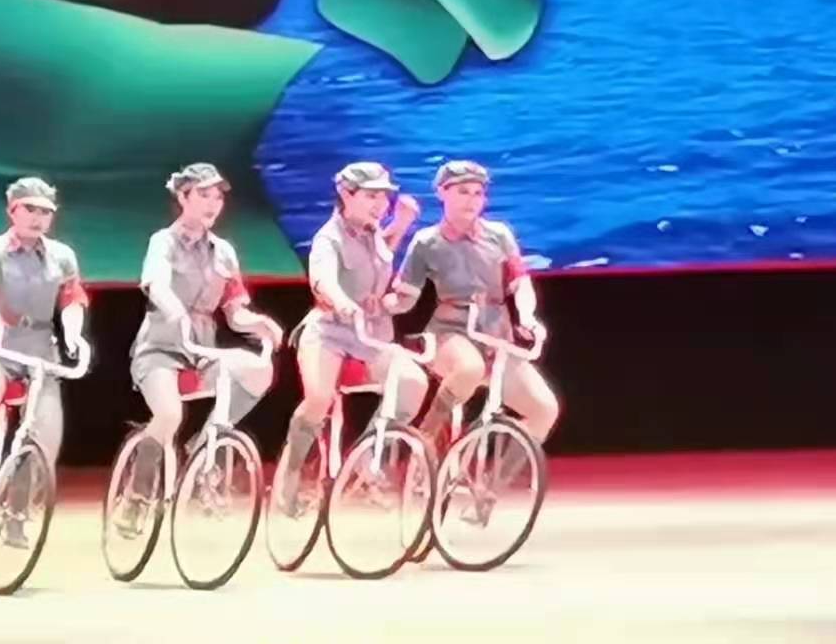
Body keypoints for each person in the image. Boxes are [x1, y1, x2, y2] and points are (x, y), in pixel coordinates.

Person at [126, 163, 283, 502]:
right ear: (183, 198)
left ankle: (202, 447)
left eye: (218, 197)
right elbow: (157, 285)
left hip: (202, 352)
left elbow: (234, 310)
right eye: (204, 195)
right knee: (169, 415)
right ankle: (137, 491)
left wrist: (257, 323)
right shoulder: (163, 242)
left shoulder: (224, 251)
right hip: (160, 350)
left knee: (259, 370)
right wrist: (176, 312)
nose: (213, 204)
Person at [277, 162, 426, 508]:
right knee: (319, 398)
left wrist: (401, 223)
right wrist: (342, 302)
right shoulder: (328, 238)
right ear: (346, 194)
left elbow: (383, 251)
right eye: (371, 196)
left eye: (384, 197)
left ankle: (367, 455)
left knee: (412, 382)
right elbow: (322, 279)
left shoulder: (373, 234)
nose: (380, 204)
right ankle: (291, 472)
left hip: (369, 335)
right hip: (329, 331)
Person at [386, 160, 559, 457]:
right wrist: (381, 304)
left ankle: (495, 480)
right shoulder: (427, 241)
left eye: (478, 193)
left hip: (496, 337)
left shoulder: (499, 235)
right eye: (463, 191)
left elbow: (519, 282)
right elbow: (406, 297)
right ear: (442, 192)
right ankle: (426, 439)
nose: (472, 200)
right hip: (450, 333)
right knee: (469, 368)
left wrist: (527, 317)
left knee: (544, 409)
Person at [0, 177, 88, 545]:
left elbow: (72, 298)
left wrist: (73, 332)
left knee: (44, 440)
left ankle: (16, 513)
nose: (38, 217)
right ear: (12, 211)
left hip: (40, 349)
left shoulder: (62, 255)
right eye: (30, 209)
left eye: (45, 212)